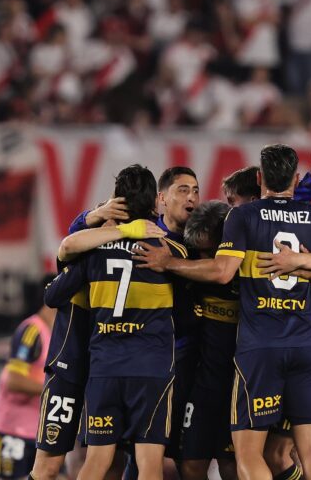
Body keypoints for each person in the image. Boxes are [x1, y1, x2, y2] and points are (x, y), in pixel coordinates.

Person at [133, 144, 311, 480]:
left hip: (261, 352)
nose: (226, 208)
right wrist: (303, 262)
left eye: (231, 201)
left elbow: (223, 270)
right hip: (303, 352)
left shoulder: (244, 222)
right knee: (304, 453)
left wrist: (168, 263)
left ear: (258, 183)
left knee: (260, 456)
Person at [42, 164, 189, 480]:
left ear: (117, 201)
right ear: (155, 204)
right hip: (151, 369)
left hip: (105, 368)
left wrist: (96, 224)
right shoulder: (171, 252)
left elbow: (54, 291)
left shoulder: (92, 250)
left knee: (96, 461)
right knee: (149, 464)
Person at [0, 283, 56, 479]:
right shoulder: (32, 331)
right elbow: (14, 381)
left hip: (40, 431)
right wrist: (54, 390)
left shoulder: (61, 333)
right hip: (12, 429)